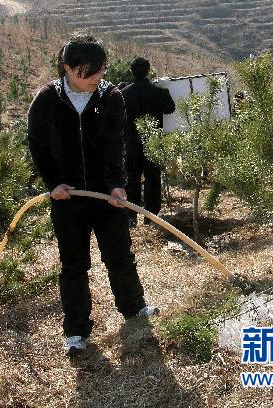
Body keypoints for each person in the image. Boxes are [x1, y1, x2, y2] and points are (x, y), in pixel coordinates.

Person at [28, 36, 158, 356]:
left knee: (119, 254)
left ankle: (134, 308)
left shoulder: (111, 96)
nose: (96, 78)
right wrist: (53, 183)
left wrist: (117, 183)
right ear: (68, 69)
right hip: (67, 198)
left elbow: (116, 144)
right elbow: (38, 146)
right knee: (73, 265)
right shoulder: (46, 100)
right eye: (89, 73)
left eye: (100, 71)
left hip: (104, 195)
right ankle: (75, 330)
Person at [121, 57, 175, 226]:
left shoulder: (124, 93)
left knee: (132, 177)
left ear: (131, 72)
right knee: (153, 177)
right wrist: (165, 90)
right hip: (153, 139)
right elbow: (170, 108)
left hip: (131, 142)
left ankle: (131, 215)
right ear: (148, 71)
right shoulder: (157, 92)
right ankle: (150, 216)